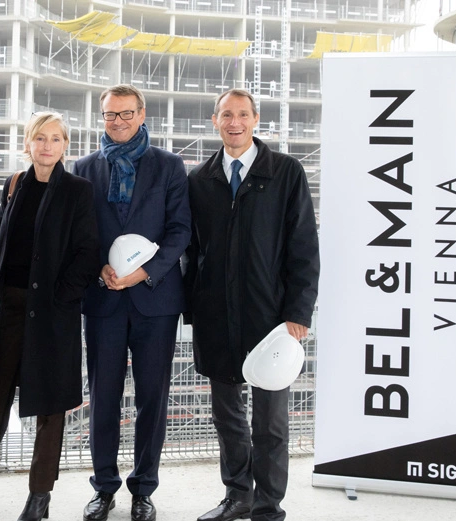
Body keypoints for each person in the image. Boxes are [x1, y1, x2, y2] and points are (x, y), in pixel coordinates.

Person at [0, 112, 100, 521]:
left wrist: (61, 298)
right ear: (28, 144)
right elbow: (0, 237)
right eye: (39, 138)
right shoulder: (14, 184)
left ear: (66, 146)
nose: (47, 146)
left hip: (52, 311)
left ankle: (39, 495)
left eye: (55, 139)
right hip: (6, 307)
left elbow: (87, 253)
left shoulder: (79, 191)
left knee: (50, 405)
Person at [183, 88, 319, 521]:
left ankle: (267, 506)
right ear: (214, 120)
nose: (235, 122)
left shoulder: (285, 172)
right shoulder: (200, 180)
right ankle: (237, 495)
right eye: (227, 114)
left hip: (272, 319)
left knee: (271, 423)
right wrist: (193, 308)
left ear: (256, 119)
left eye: (243, 114)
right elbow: (191, 252)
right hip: (216, 317)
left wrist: (298, 312)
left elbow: (303, 247)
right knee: (227, 417)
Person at [74, 84, 191, 521]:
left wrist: (146, 271)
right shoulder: (84, 169)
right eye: (109, 115)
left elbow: (180, 230)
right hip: (103, 299)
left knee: (151, 399)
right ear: (101, 117)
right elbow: (79, 235)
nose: (117, 121)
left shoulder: (170, 166)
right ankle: (103, 488)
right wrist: (97, 268)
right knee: (102, 397)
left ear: (143, 115)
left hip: (155, 301)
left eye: (126, 114)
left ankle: (144, 489)